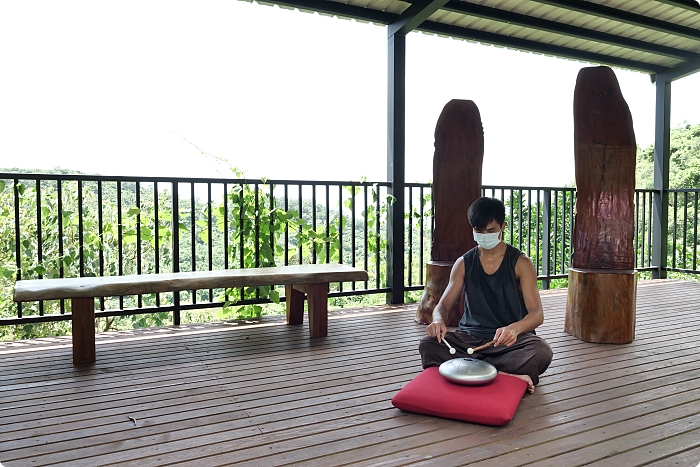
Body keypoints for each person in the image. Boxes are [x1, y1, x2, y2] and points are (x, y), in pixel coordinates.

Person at [419, 197, 553, 394]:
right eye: (478, 231)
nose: (484, 235)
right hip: (470, 339)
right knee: (428, 345)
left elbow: (536, 314)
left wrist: (514, 329)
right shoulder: (464, 263)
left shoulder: (521, 263)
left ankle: (470, 370)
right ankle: (504, 376)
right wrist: (438, 321)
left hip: (508, 343)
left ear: (503, 227)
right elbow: (443, 306)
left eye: (490, 231)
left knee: (541, 351)